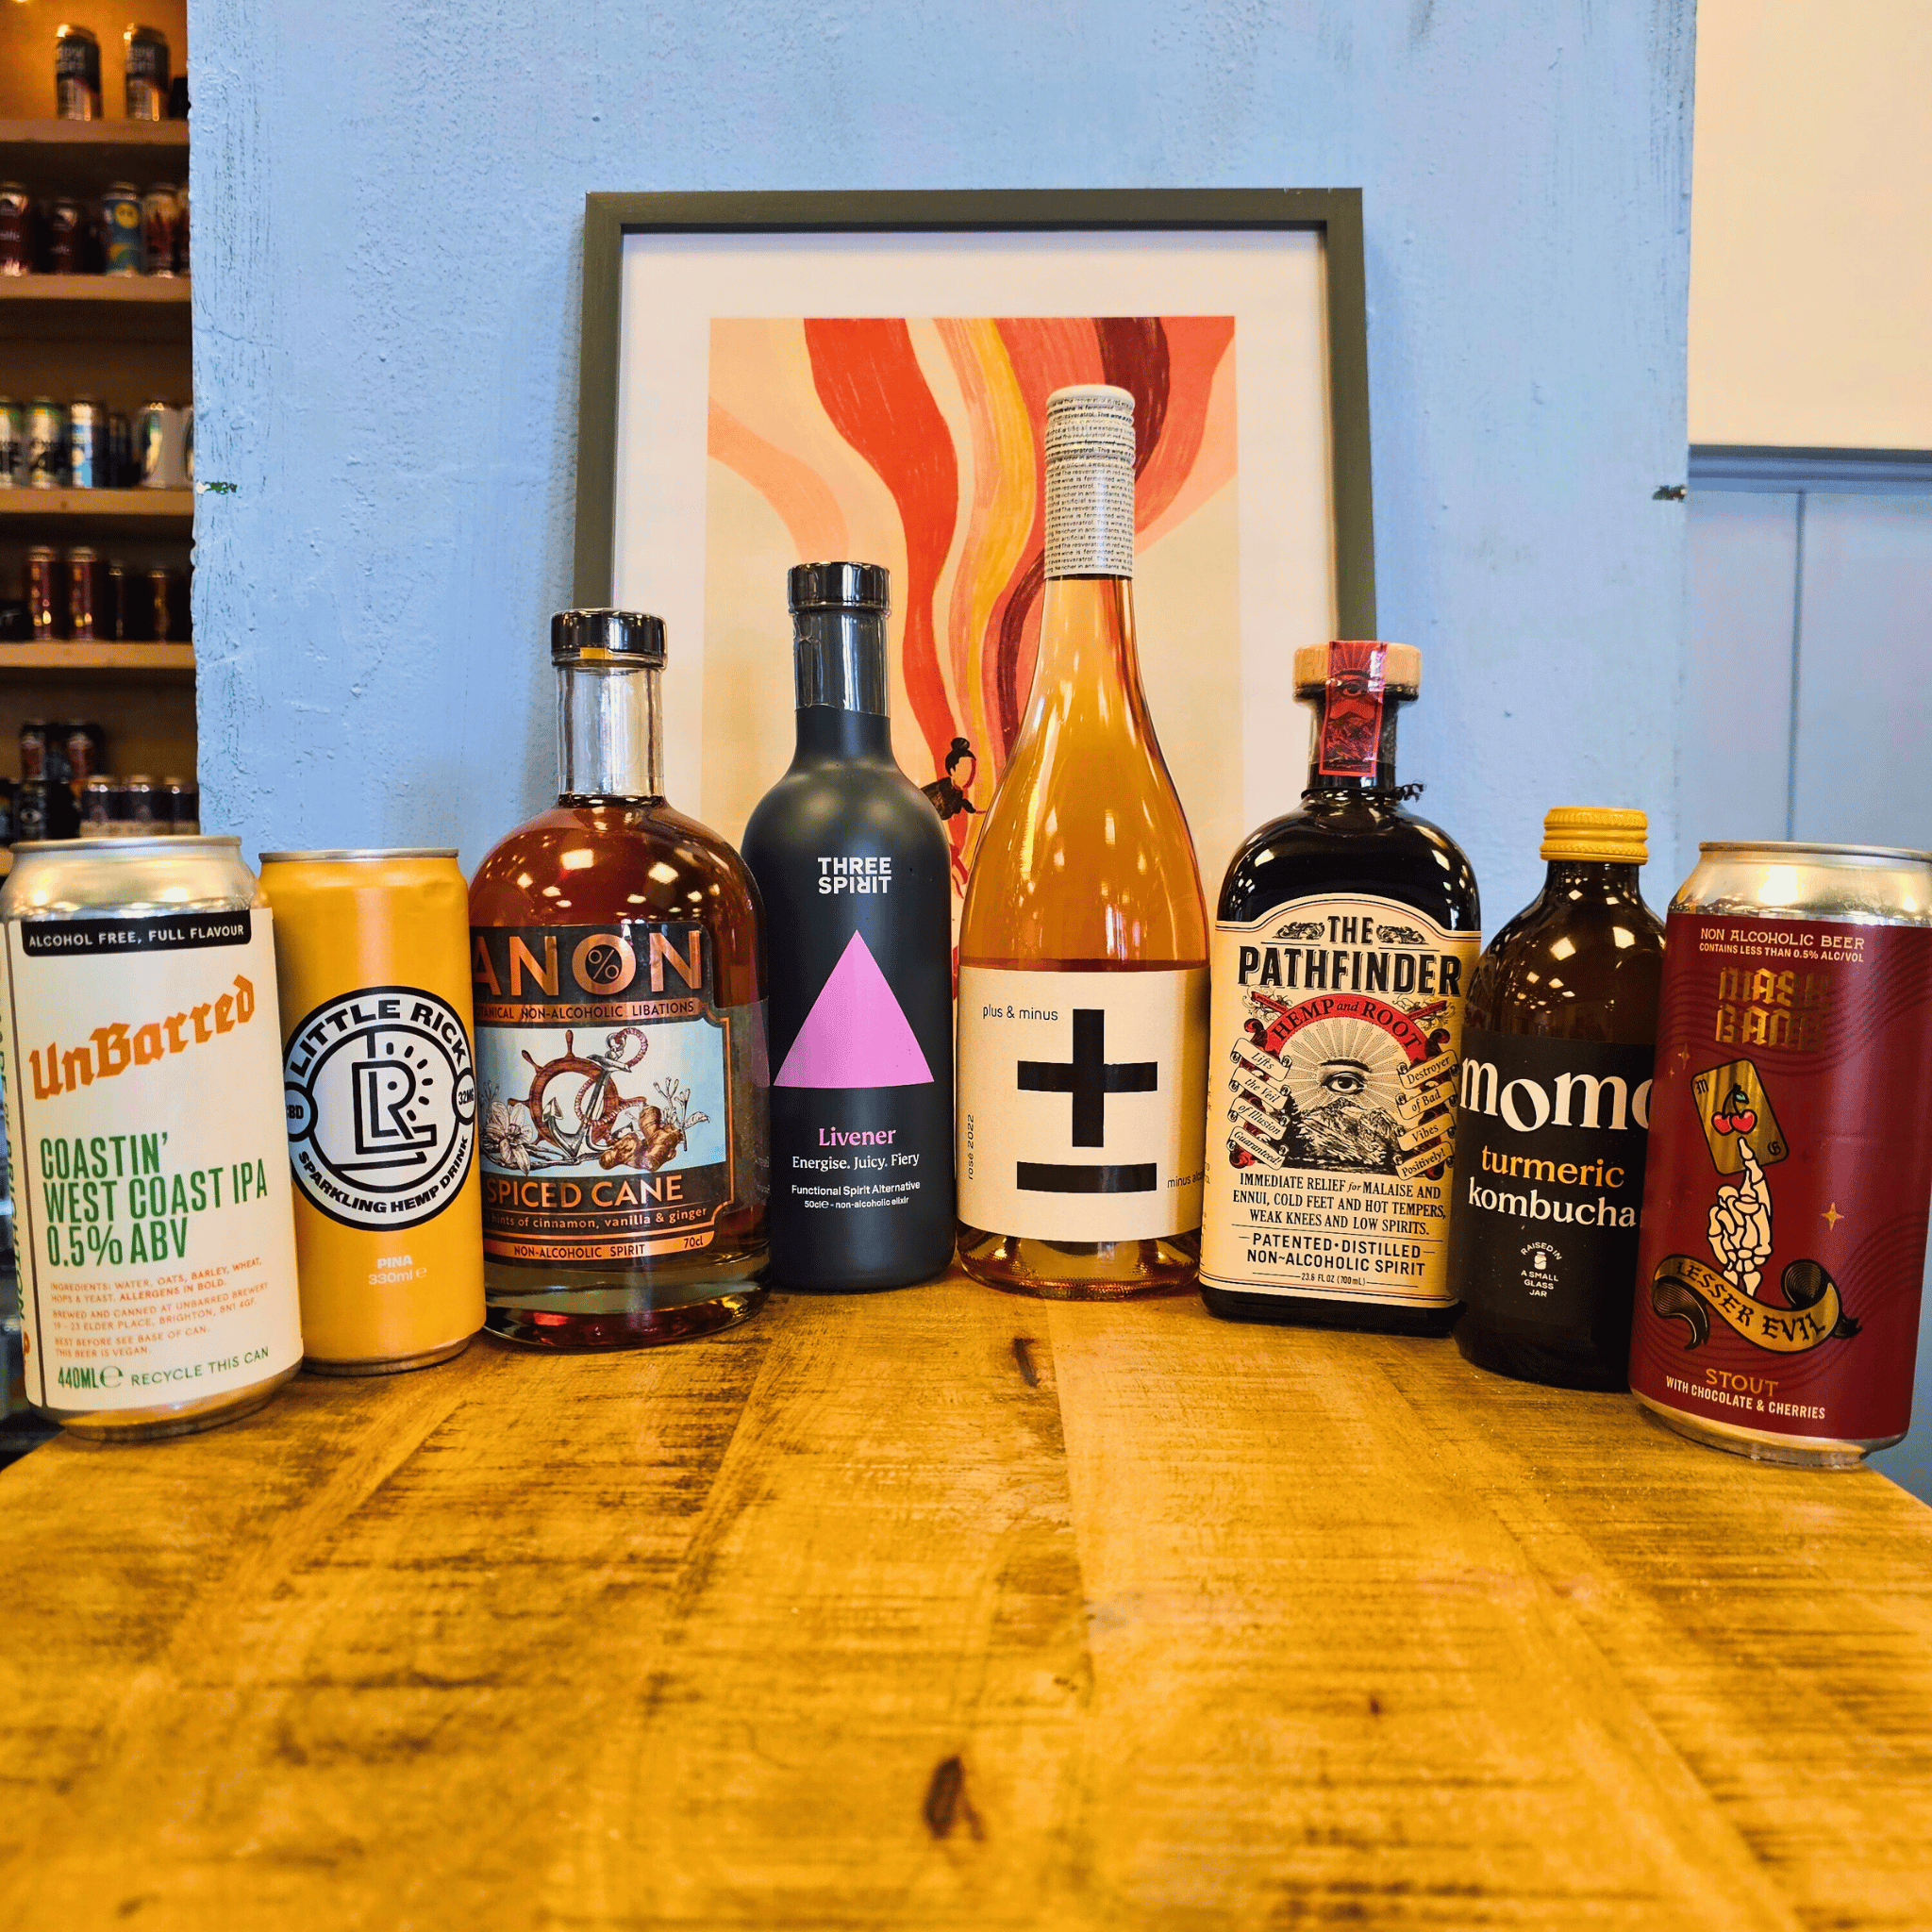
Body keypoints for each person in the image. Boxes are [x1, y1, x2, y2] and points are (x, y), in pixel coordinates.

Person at [922, 737, 979, 822]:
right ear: (952, 770)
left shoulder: (958, 792)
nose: (970, 775)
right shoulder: (939, 790)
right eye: (964, 770)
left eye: (973, 769)